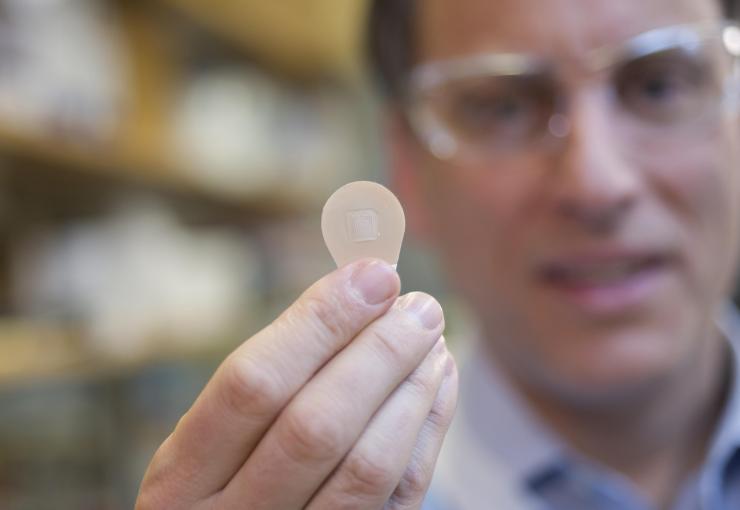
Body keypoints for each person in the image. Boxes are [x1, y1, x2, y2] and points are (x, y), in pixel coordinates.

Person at [136, 0, 740, 508]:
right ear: (408, 167)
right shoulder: (326, 490)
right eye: (503, 106)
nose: (597, 184)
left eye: (659, 85)